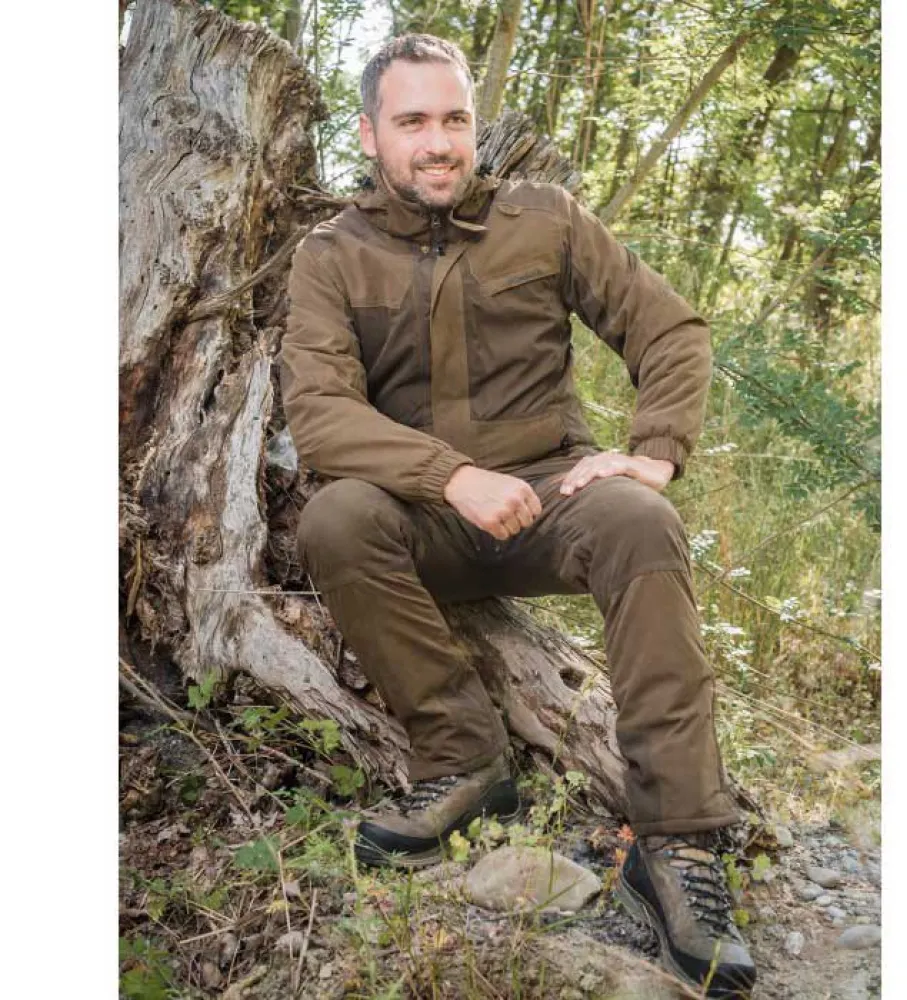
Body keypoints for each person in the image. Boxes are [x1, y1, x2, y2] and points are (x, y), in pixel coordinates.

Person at [280, 33, 756, 998]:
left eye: (455, 119)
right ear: (371, 134)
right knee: (335, 519)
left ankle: (677, 843)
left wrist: (654, 450)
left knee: (641, 522)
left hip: (554, 500)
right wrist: (450, 476)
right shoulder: (331, 256)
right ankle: (463, 761)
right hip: (421, 514)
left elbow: (669, 328)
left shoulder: (545, 219)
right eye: (413, 121)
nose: (438, 142)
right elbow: (320, 414)